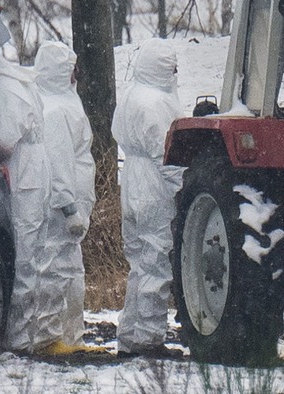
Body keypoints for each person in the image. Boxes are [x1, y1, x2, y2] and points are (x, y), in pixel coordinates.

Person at [0, 50, 51, 354]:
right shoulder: (20, 83)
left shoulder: (2, 88)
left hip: (22, 175)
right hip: (34, 172)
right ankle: (22, 334)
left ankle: (16, 338)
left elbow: (1, 141)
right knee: (28, 257)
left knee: (20, 257)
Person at [111, 38, 184, 358]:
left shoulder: (131, 96)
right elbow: (166, 154)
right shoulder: (157, 102)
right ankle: (149, 339)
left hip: (131, 181)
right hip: (154, 185)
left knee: (139, 264)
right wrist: (181, 189)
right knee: (155, 263)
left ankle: (130, 335)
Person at [32, 41, 98, 354]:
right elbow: (58, 163)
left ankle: (70, 337)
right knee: (53, 270)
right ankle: (47, 337)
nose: (76, 74)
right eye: (70, 69)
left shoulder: (58, 102)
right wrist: (69, 206)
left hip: (69, 206)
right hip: (62, 209)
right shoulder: (56, 109)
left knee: (69, 272)